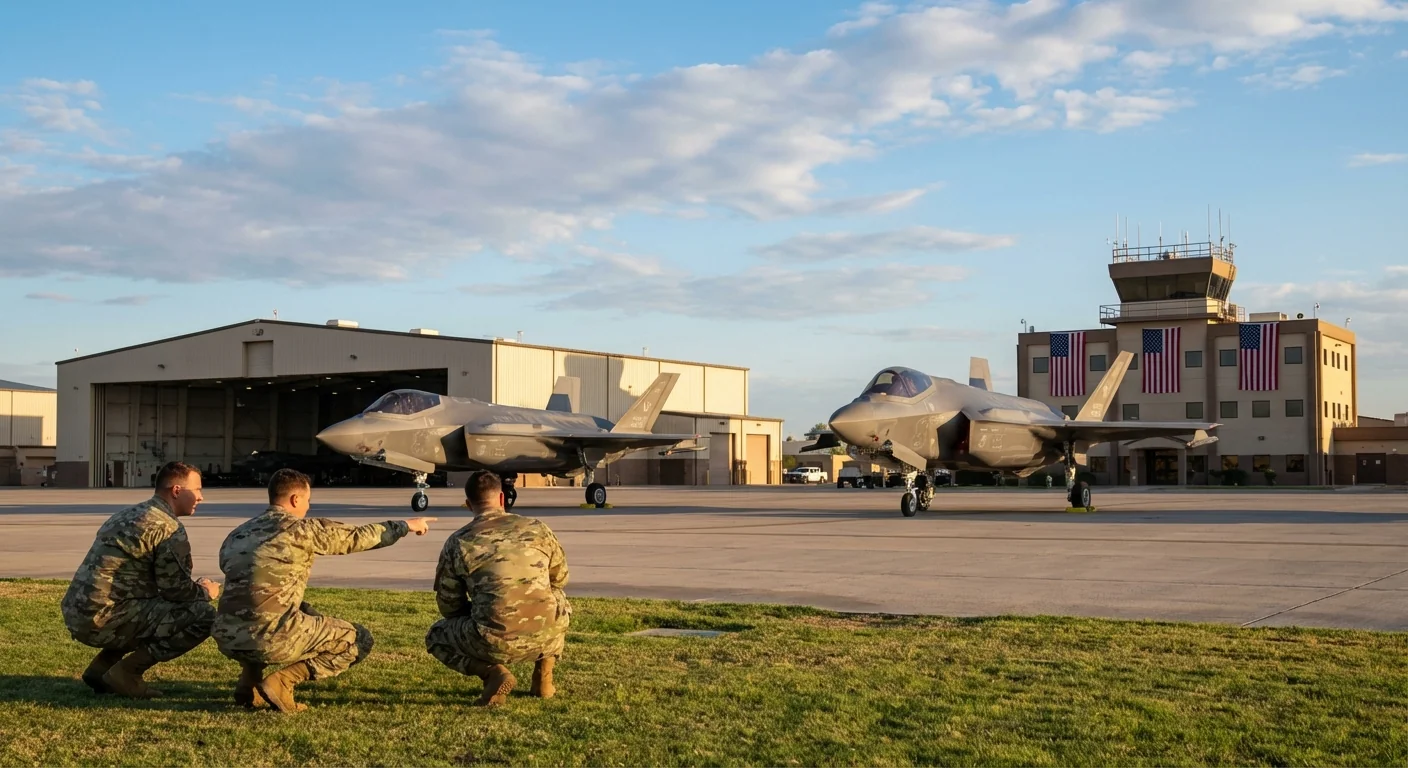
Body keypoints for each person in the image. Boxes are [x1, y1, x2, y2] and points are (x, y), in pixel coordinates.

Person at [211, 468, 435, 712]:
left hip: (228, 636)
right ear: (295, 499)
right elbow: (356, 537)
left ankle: (249, 682)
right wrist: (405, 525)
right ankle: (283, 681)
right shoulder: (301, 530)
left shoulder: (237, 534)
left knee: (278, 610)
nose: (308, 506)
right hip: (272, 638)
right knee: (357, 638)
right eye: (307, 500)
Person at [61, 461, 221, 698]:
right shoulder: (167, 528)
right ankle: (127, 673)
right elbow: (176, 592)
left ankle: (102, 668)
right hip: (105, 619)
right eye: (197, 489)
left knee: (148, 608)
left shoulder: (127, 514)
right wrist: (207, 592)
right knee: (204, 616)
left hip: (78, 612)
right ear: (176, 491)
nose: (201, 497)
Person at [425, 470, 571, 707]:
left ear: (468, 504)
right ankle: (544, 679)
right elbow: (560, 578)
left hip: (492, 640)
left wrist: (481, 609)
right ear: (502, 499)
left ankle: (493, 673)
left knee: (436, 636)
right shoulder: (538, 528)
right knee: (556, 598)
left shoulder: (459, 541)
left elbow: (449, 605)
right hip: (546, 635)